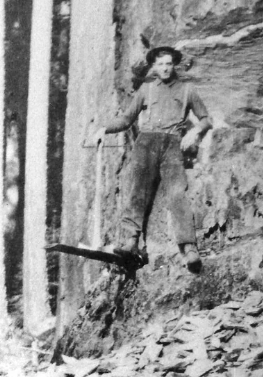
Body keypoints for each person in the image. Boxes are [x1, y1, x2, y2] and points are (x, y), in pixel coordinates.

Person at [90, 46, 211, 272]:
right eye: (160, 64)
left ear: (174, 65)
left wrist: (194, 132)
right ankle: (131, 241)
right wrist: (104, 129)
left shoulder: (187, 90)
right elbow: (126, 119)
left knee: (177, 193)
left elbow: (205, 119)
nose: (165, 68)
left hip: (173, 143)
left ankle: (189, 247)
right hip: (146, 143)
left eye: (168, 64)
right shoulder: (146, 90)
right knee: (137, 190)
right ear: (154, 66)